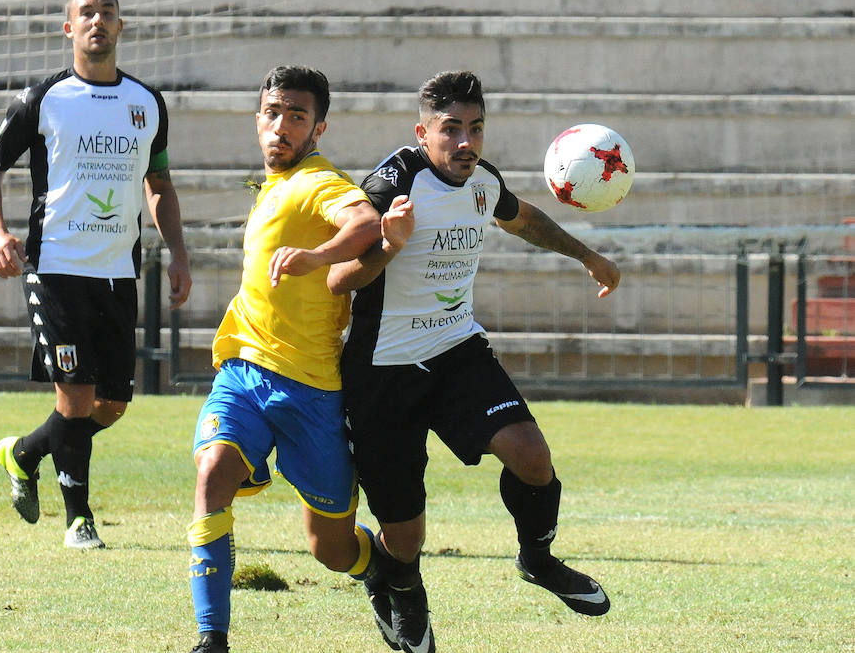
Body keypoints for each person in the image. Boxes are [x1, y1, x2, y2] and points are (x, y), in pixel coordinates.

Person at [328, 70, 620, 652]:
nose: (466, 142)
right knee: (405, 535)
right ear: (423, 133)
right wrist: (390, 244)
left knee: (532, 456)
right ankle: (404, 593)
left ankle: (536, 558)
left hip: (456, 349)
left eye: (476, 128)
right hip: (382, 369)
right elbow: (340, 279)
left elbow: (522, 217)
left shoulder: (484, 180)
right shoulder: (392, 186)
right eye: (451, 129)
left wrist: (588, 255)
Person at [0, 0, 192, 549]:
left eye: (108, 13)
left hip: (118, 271)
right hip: (55, 268)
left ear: (121, 26)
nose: (98, 21)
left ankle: (22, 453)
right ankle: (79, 520)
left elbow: (160, 183)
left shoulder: (146, 103)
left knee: (113, 405)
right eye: (86, 13)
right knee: (74, 396)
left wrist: (178, 252)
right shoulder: (42, 98)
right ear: (68, 28)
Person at [186, 65, 384, 653]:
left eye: (296, 116)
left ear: (318, 128)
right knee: (210, 474)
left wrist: (317, 255)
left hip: (311, 390)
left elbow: (366, 222)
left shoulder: (320, 181)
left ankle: (381, 571)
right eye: (273, 113)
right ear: (258, 120)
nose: (281, 126)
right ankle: (211, 638)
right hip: (243, 372)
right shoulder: (272, 184)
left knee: (331, 547)